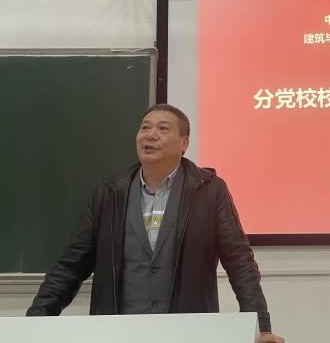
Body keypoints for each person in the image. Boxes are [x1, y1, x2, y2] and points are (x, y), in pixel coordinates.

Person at [27, 103, 284, 343]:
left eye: (163, 129)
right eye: (145, 128)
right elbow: (70, 267)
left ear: (184, 143)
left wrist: (261, 327)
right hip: (117, 333)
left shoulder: (209, 191)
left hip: (189, 333)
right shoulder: (110, 194)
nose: (150, 135)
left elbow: (240, 263)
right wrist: (33, 324)